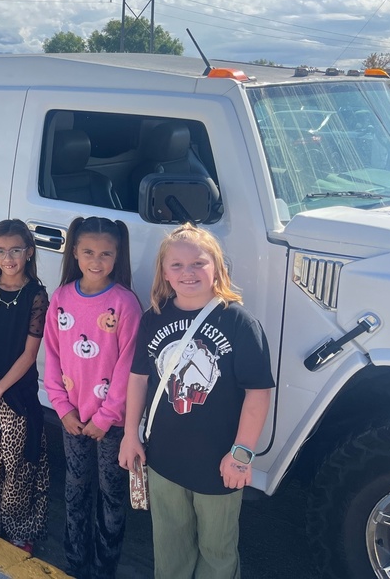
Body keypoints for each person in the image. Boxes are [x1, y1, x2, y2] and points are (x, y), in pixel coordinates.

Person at [118, 223, 274, 579]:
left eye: (198, 263)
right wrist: (130, 434)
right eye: (177, 265)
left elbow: (258, 392)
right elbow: (139, 378)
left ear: (217, 267)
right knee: (169, 546)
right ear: (164, 273)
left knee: (217, 552)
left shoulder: (238, 323)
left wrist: (241, 453)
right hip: (163, 460)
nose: (187, 273)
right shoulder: (153, 319)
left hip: (219, 464)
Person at [44, 217, 141, 579]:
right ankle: (75, 559)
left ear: (117, 256)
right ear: (74, 252)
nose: (96, 260)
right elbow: (52, 355)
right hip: (73, 418)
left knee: (112, 495)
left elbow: (129, 367)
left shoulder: (125, 303)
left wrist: (105, 416)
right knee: (76, 488)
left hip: (110, 424)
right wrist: (62, 407)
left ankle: (104, 566)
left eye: (105, 254)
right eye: (87, 252)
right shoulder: (62, 297)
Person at [0, 218, 50, 554]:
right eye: (0, 250)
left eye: (16, 250)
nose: (8, 257)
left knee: (18, 463)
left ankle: (19, 528)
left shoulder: (36, 296)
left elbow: (30, 353)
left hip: (15, 393)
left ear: (29, 252)